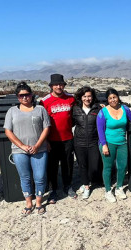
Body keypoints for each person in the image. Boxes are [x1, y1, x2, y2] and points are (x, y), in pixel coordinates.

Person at [96, 88, 131, 202]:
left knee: (122, 166)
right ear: (107, 100)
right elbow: (100, 130)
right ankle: (107, 191)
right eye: (110, 98)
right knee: (107, 167)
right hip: (108, 143)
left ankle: (119, 188)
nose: (112, 100)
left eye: (114, 97)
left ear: (118, 97)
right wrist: (104, 145)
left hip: (122, 143)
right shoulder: (103, 112)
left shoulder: (124, 108)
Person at [4, 82, 50, 215]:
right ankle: (29, 203)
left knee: (40, 177)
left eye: (27, 95)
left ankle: (39, 203)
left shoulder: (40, 109)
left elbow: (46, 128)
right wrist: (22, 146)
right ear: (17, 97)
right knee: (25, 177)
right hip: (19, 151)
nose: (24, 98)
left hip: (39, 150)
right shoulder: (12, 111)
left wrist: (37, 145)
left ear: (32, 95)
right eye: (21, 95)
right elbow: (8, 131)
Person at [40, 73, 77, 203]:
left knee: (68, 164)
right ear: (51, 86)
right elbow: (41, 123)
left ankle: (68, 186)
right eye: (56, 84)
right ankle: (53, 190)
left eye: (61, 84)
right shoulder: (44, 101)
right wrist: (46, 141)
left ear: (64, 85)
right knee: (52, 166)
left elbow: (76, 115)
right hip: (52, 141)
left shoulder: (71, 99)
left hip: (68, 138)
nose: (58, 86)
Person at [73, 86, 102, 199]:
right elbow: (70, 123)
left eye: (89, 96)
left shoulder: (98, 109)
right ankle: (86, 186)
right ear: (81, 97)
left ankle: (87, 181)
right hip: (79, 143)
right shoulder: (75, 109)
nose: (87, 98)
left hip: (94, 142)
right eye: (84, 96)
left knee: (94, 166)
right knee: (82, 165)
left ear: (92, 97)